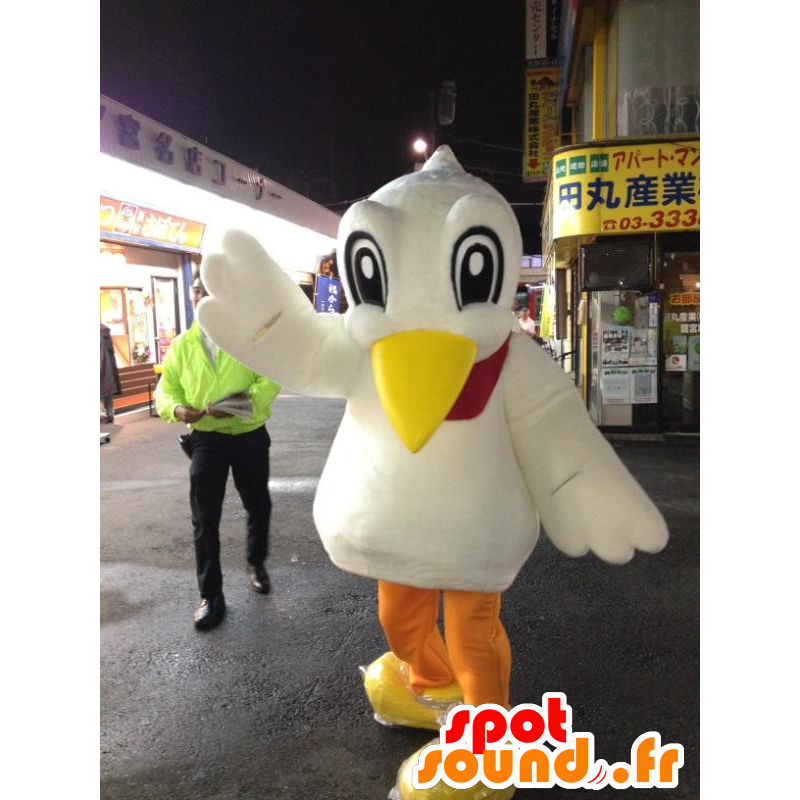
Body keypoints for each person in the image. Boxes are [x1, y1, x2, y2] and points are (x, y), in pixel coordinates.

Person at [154, 274, 281, 630]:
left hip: (249, 433)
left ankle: (255, 562)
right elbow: (166, 391)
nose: (203, 298)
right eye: (198, 292)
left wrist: (237, 405)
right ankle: (211, 595)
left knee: (257, 503)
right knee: (204, 518)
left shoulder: (248, 339)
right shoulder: (182, 345)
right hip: (207, 439)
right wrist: (177, 410)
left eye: (210, 291)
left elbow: (268, 381)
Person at [100, 323, 121, 424]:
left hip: (101, 367)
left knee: (102, 391)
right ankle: (110, 413)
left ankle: (103, 414)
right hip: (109, 368)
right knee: (108, 392)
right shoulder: (106, 333)